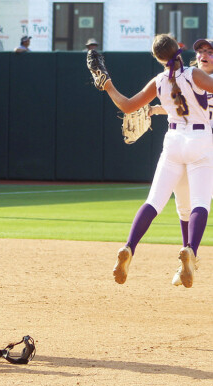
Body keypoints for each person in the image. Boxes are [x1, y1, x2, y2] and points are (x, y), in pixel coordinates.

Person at [94, 33, 213, 288]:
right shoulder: (194, 75)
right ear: (179, 50)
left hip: (173, 141)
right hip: (200, 142)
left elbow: (127, 106)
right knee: (199, 204)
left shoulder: (159, 81)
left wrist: (108, 86)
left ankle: (129, 247)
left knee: (154, 201)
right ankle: (190, 252)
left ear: (158, 58)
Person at [149, 38, 213, 286]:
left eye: (209, 51)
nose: (204, 54)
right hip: (193, 146)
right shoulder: (190, 79)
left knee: (197, 204)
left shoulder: (197, 79)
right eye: (200, 51)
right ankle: (187, 259)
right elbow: (184, 107)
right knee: (184, 206)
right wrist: (157, 110)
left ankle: (190, 255)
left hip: (204, 147)